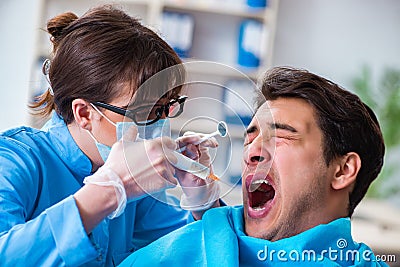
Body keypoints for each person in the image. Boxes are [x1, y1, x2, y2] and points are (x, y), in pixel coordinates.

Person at [0, 5, 220, 266]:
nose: (158, 124)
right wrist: (108, 191)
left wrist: (203, 201)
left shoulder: (138, 190)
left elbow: (201, 250)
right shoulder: (14, 160)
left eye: (165, 107)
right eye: (142, 110)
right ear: (84, 113)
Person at [119, 66, 388, 266]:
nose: (251, 153)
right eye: (250, 138)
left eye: (281, 136)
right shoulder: (177, 254)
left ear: (342, 171)